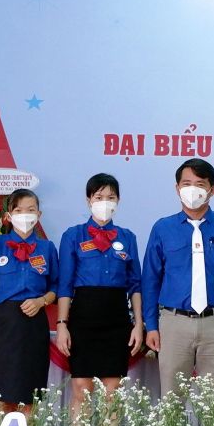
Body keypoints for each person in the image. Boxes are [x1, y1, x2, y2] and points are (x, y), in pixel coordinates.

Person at [142, 160, 214, 394]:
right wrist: (151, 325)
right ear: (177, 188)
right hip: (174, 322)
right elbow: (150, 280)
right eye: (186, 184)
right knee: (172, 399)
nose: (192, 190)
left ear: (213, 189)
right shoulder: (163, 228)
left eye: (200, 184)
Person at [55, 174, 144, 406]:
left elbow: (135, 285)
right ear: (89, 200)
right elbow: (65, 285)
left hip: (117, 318)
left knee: (112, 390)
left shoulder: (127, 237)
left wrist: (138, 324)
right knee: (81, 388)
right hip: (83, 317)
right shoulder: (73, 235)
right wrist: (62, 325)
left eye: (111, 197)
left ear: (118, 201)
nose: (105, 202)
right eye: (99, 197)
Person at [0, 189, 58, 415]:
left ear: (39, 214)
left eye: (30, 210)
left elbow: (56, 288)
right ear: (9, 216)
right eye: (19, 210)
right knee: (1, 395)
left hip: (34, 325)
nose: (25, 215)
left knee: (29, 395)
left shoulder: (47, 248)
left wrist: (41, 301)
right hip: (4, 323)